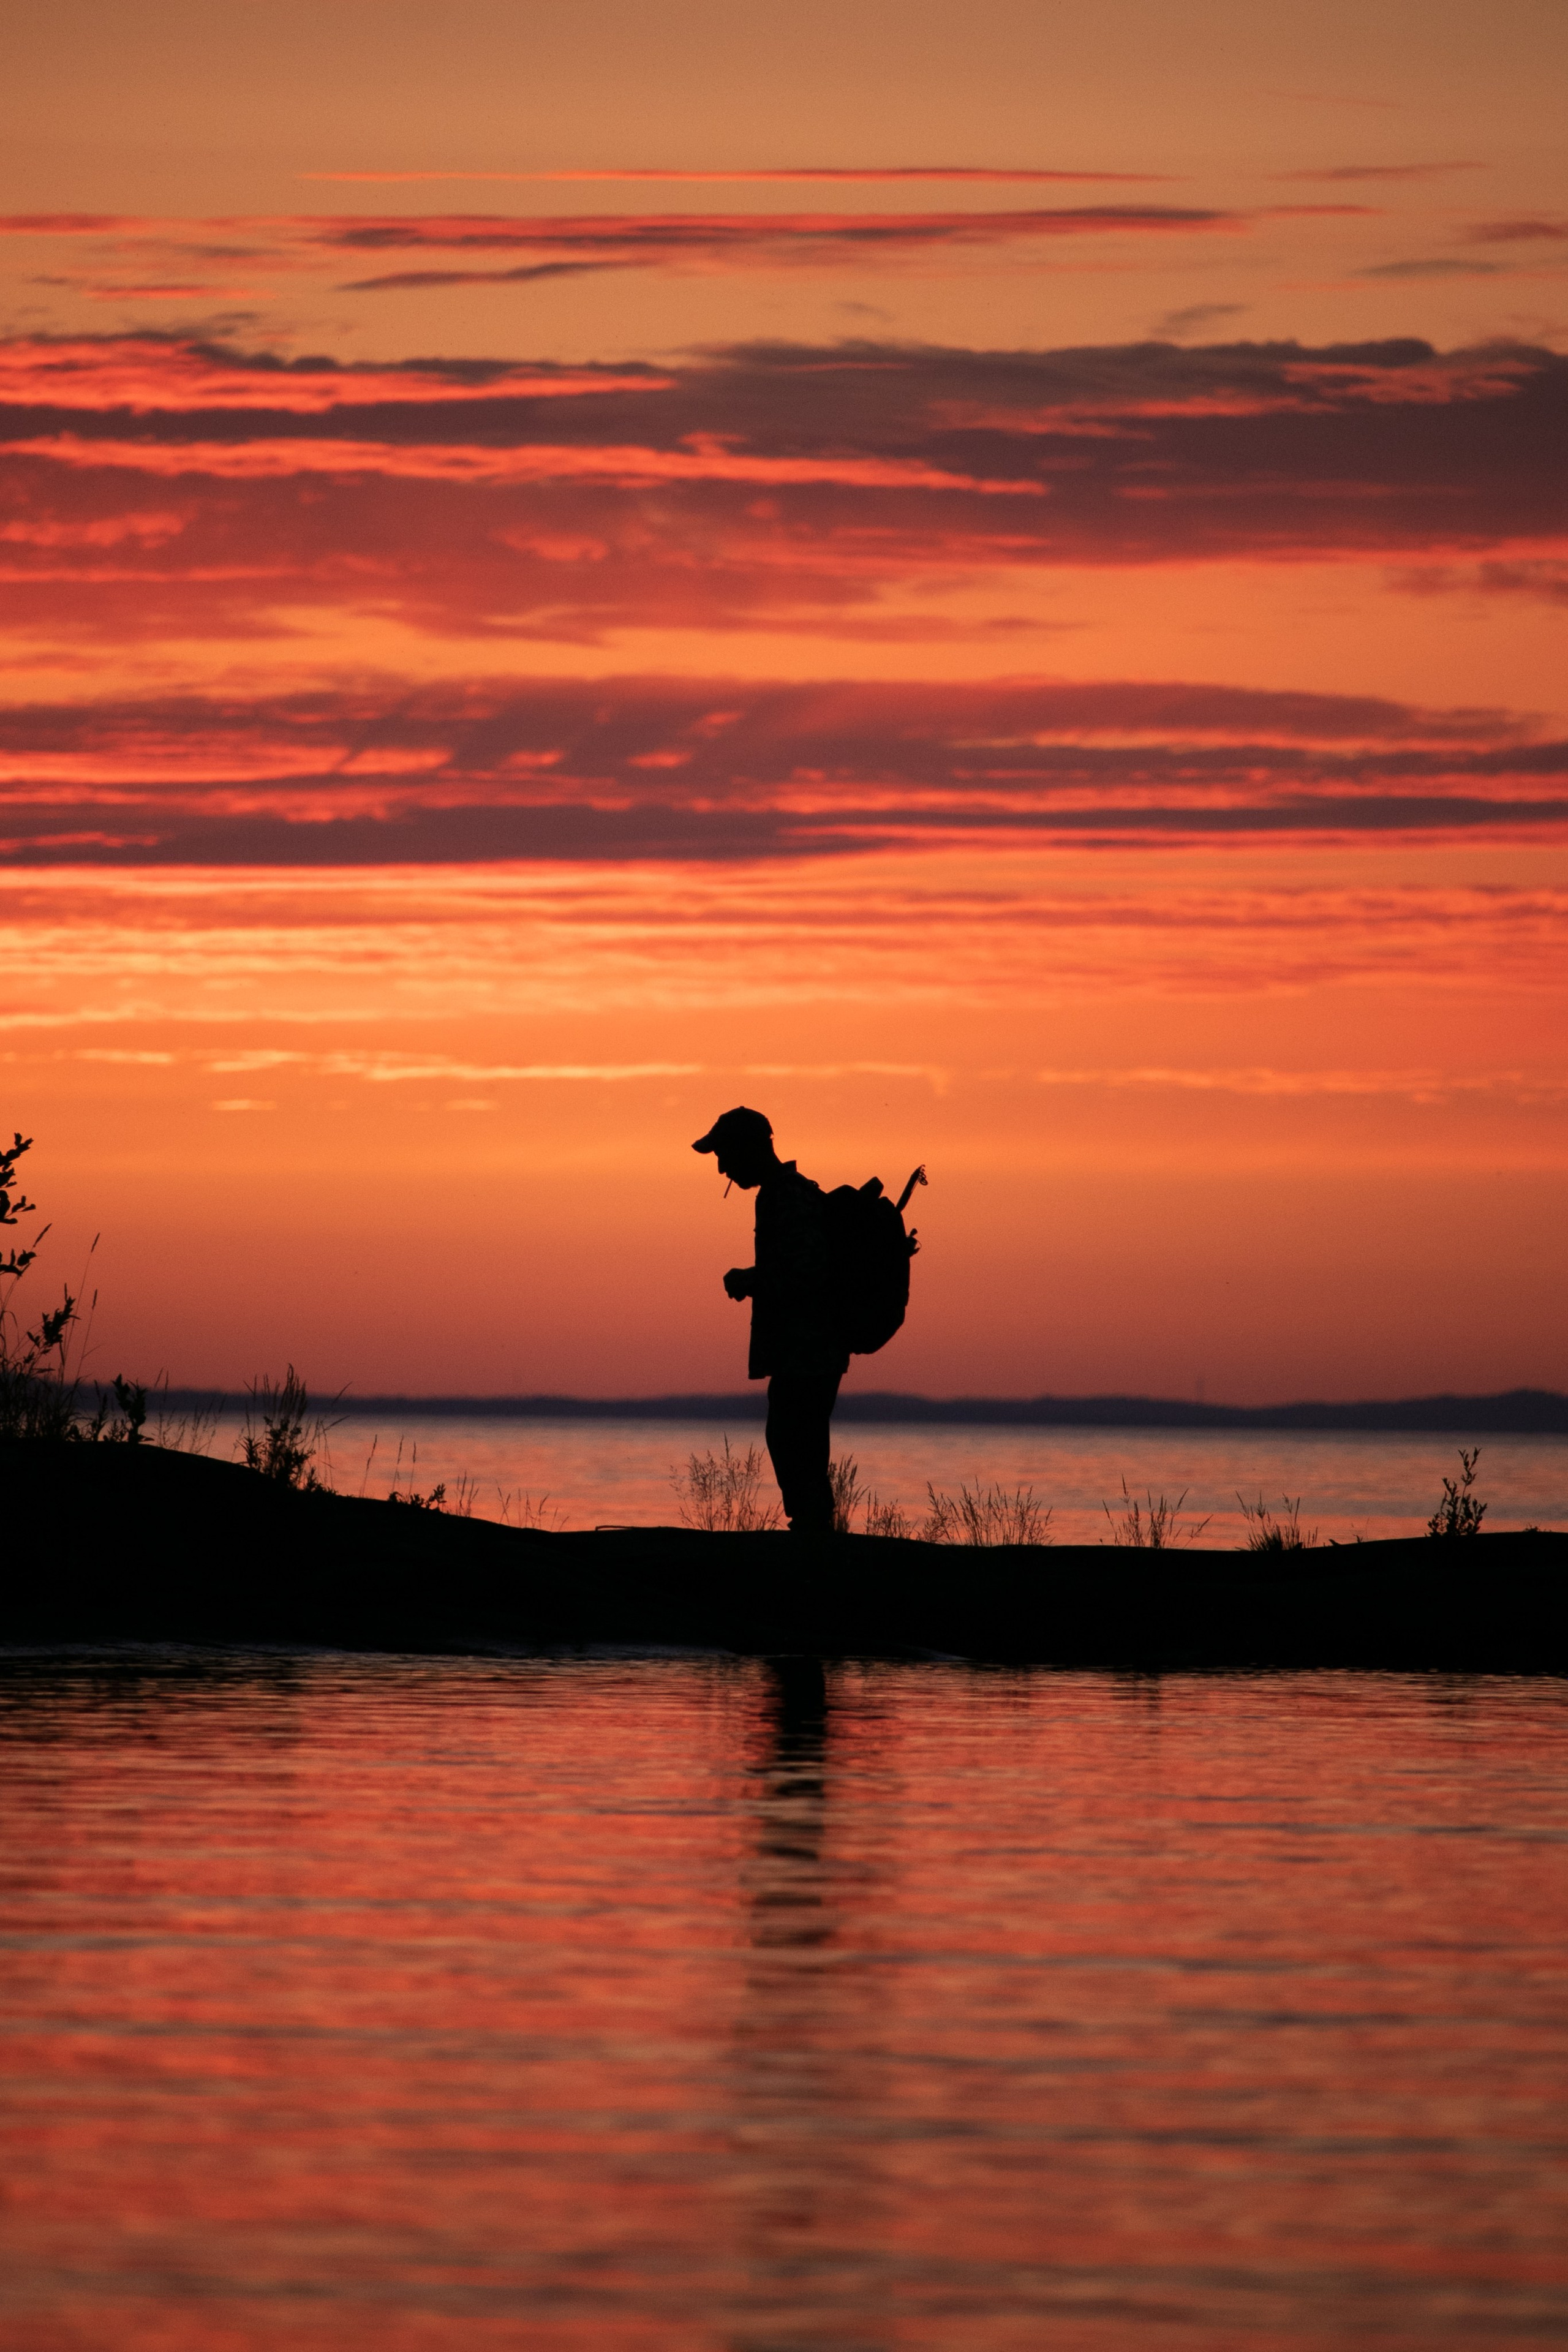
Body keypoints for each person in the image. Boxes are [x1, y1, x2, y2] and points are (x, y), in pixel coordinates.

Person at [692, 1106, 846, 1537]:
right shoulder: (783, 1193)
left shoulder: (785, 1194)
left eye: (725, 1154)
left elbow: (808, 1270)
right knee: (794, 1437)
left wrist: (750, 1280)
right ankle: (812, 1527)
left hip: (810, 1346)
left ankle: (813, 1532)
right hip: (806, 1347)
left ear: (749, 1149)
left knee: (795, 1438)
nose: (721, 1166)